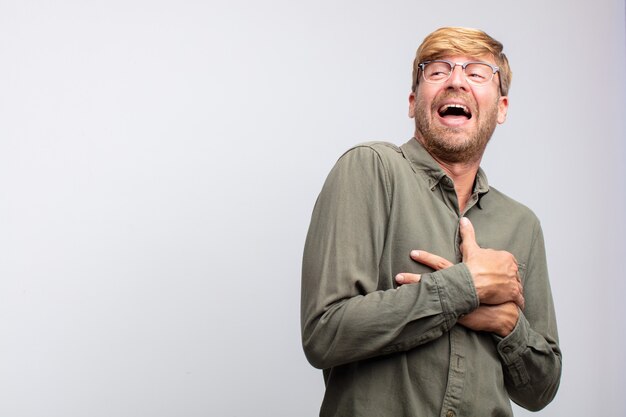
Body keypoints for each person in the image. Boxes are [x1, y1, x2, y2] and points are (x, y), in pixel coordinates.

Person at [301, 27, 561, 417]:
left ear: (502, 108)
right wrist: (465, 288)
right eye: (437, 71)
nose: (456, 80)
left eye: (477, 73)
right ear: (412, 101)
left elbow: (541, 389)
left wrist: (507, 323)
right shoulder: (370, 169)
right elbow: (325, 333)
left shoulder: (522, 224)